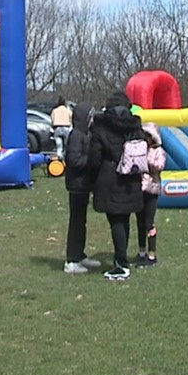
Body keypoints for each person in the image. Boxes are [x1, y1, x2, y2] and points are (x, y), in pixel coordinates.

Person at [87, 92, 145, 281]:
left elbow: (95, 157)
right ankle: (122, 259)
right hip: (131, 178)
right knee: (125, 219)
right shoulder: (135, 125)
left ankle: (121, 264)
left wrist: (91, 177)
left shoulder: (101, 126)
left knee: (116, 222)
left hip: (110, 177)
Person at [62, 103, 102, 274]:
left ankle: (80, 254)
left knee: (82, 222)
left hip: (84, 184)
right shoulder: (76, 136)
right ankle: (71, 260)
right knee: (76, 222)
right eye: (90, 117)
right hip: (76, 185)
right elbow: (74, 160)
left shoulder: (86, 134)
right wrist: (91, 160)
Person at [135, 123, 167, 268]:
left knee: (149, 222)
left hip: (152, 190)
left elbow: (159, 166)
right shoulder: (140, 149)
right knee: (139, 222)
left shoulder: (158, 151)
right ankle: (141, 252)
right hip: (139, 189)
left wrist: (146, 162)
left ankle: (152, 254)